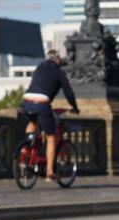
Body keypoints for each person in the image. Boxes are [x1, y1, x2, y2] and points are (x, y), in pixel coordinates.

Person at [21, 49, 80, 179]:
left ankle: (26, 149)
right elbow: (68, 93)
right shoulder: (59, 72)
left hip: (26, 100)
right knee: (51, 137)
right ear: (58, 60)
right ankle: (49, 171)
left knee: (32, 122)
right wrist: (75, 107)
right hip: (42, 102)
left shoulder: (39, 68)